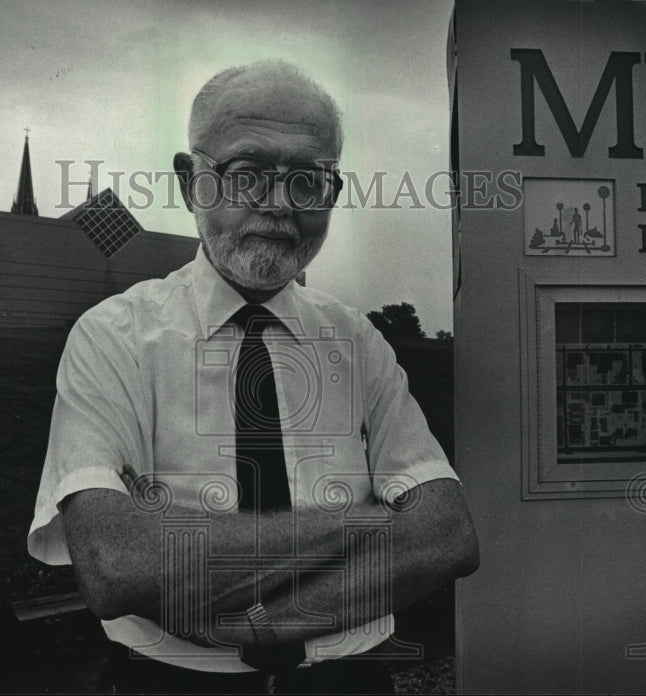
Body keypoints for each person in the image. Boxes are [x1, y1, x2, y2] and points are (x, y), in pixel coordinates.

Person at [27, 60, 479, 694]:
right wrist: (368, 522)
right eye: (246, 174)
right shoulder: (113, 338)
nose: (277, 206)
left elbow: (449, 536)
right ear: (190, 183)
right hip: (173, 681)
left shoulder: (358, 343)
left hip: (351, 679)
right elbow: (118, 566)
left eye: (306, 180)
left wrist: (272, 615)